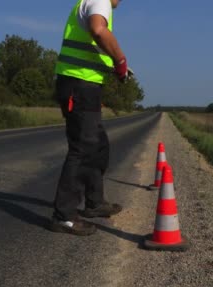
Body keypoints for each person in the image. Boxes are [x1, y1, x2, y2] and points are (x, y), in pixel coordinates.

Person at [49, 0, 130, 236]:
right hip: (79, 85)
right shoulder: (100, 0)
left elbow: (91, 44)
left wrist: (113, 67)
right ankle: (64, 216)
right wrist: (120, 60)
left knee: (98, 145)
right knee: (83, 148)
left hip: (83, 84)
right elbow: (98, 29)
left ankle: (94, 203)